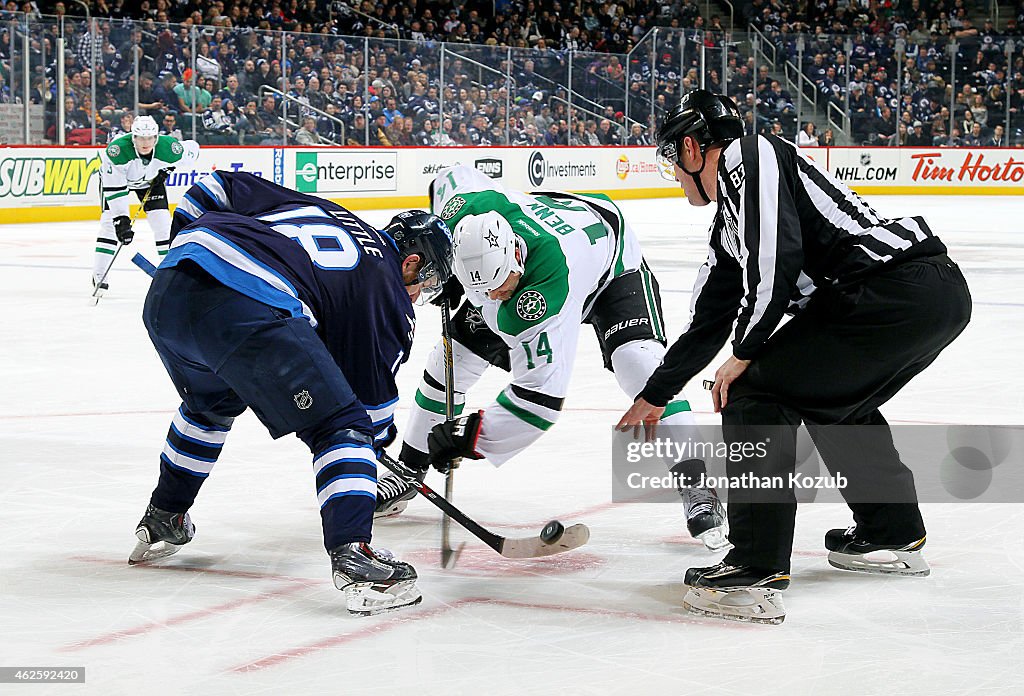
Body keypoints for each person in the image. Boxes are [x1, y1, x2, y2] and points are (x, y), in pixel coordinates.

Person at [616, 90, 971, 623]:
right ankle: (890, 531)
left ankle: (754, 570)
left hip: (893, 289)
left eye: (672, 158)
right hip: (920, 296)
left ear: (691, 148)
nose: (673, 173)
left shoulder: (748, 155)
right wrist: (655, 392)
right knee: (833, 399)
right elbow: (710, 317)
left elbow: (775, 261)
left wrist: (746, 353)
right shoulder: (729, 225)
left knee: (753, 390)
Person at [129, 172, 454, 616]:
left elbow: (215, 186)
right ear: (412, 262)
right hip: (250, 301)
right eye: (426, 282)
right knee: (344, 428)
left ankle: (165, 516)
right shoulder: (389, 292)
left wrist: (181, 245)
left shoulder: (332, 213)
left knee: (210, 405)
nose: (418, 295)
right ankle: (355, 558)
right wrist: (373, 448)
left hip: (170, 289)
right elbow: (370, 410)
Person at [372, 164, 728, 551]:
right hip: (559, 224)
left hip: (611, 263)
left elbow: (539, 400)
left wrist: (470, 436)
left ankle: (698, 484)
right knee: (448, 362)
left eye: (499, 286)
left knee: (641, 368)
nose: (493, 297)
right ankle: (409, 467)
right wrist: (439, 271)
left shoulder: (543, 293)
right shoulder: (465, 219)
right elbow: (448, 177)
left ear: (516, 258)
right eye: (480, 287)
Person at [92, 115, 200, 294]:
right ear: (133, 137)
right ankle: (99, 274)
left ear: (156, 137)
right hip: (120, 183)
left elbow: (194, 150)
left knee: (163, 224)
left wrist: (168, 168)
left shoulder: (168, 148)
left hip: (149, 183)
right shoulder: (117, 151)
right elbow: (115, 187)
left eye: (150, 138)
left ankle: (170, 272)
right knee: (109, 224)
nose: (145, 142)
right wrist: (121, 219)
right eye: (141, 138)